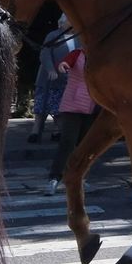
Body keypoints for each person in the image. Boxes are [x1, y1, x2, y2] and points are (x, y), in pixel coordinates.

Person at [46, 46, 98, 195]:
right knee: (67, 142)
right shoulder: (77, 53)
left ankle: (80, 178)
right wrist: (63, 66)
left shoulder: (99, 54)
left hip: (91, 105)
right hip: (72, 105)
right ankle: (54, 179)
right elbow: (65, 63)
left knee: (85, 145)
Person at [31, 14, 77, 143]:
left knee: (59, 109)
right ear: (61, 22)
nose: (72, 22)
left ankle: (57, 132)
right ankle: (35, 131)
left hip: (67, 80)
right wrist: (50, 69)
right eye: (69, 20)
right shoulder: (53, 35)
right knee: (41, 107)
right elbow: (45, 53)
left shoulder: (78, 37)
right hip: (48, 78)